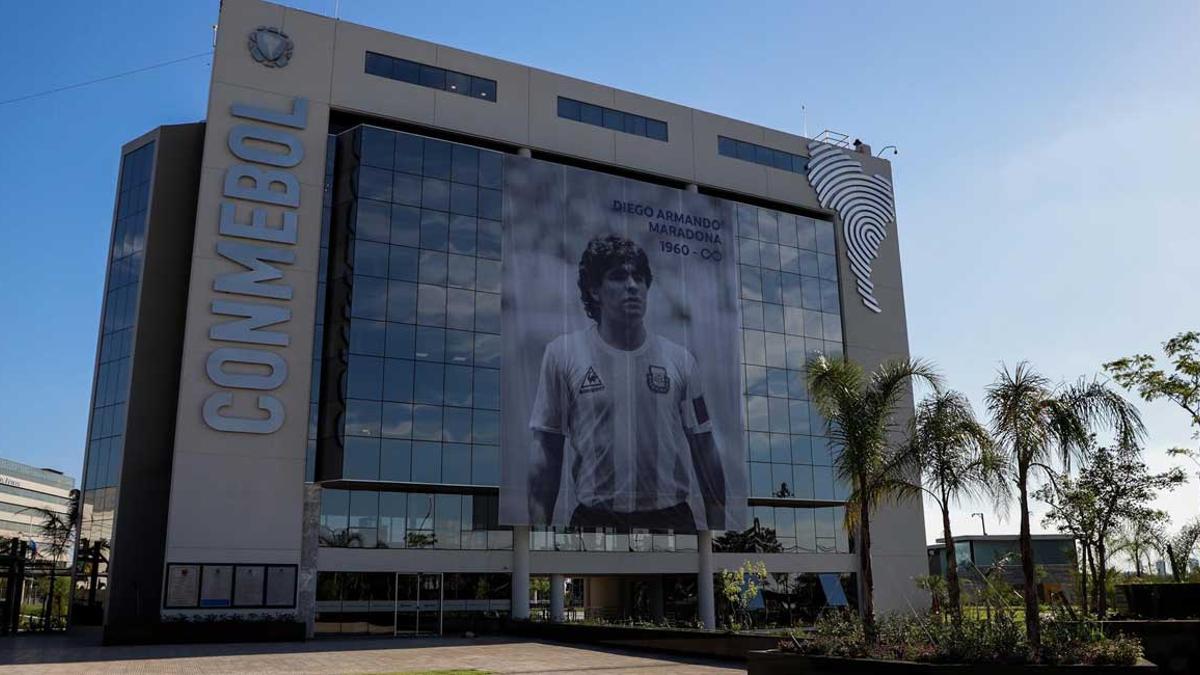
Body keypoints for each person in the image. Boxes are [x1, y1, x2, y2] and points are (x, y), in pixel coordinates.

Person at [527, 234, 727, 532]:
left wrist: (718, 532)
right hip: (595, 519)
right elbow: (547, 453)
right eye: (618, 277)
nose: (632, 286)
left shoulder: (680, 360)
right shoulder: (563, 354)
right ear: (595, 290)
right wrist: (538, 538)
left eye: (639, 277)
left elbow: (705, 446)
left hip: (670, 518)